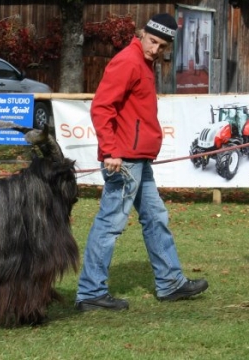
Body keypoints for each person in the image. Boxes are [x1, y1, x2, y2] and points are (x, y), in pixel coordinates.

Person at [75, 13, 209, 311]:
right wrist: (110, 151)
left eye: (161, 46)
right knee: (110, 224)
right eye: (152, 42)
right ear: (141, 34)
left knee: (155, 217)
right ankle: (90, 293)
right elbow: (101, 107)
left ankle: (170, 282)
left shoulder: (145, 63)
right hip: (123, 161)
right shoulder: (128, 61)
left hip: (138, 159)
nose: (155, 50)